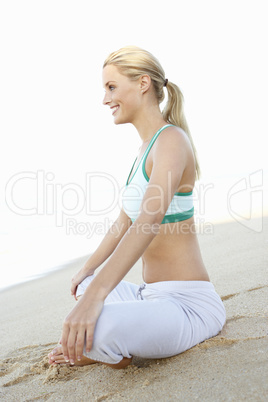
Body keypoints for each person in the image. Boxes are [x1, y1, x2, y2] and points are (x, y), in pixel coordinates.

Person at [48, 46, 226, 369]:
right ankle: (107, 340)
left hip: (187, 305)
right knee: (85, 286)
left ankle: (105, 349)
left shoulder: (171, 141)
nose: (105, 99)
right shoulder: (144, 149)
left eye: (111, 87)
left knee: (96, 319)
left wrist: (97, 297)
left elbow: (147, 221)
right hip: (149, 295)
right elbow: (122, 224)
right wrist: (87, 273)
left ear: (143, 84)